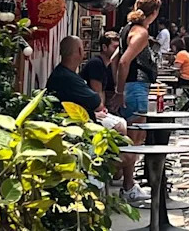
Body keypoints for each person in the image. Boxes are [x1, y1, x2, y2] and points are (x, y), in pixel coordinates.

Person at [49, 36, 147, 202]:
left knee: (123, 134)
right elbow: (96, 101)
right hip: (80, 137)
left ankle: (124, 182)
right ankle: (125, 186)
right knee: (129, 153)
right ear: (79, 51)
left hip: (80, 128)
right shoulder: (70, 76)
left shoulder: (65, 74)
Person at [116, 0, 161, 133]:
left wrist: (119, 86)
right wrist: (119, 92)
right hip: (136, 86)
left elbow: (114, 59)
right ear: (154, 12)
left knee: (129, 133)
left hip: (129, 86)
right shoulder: (141, 33)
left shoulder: (126, 29)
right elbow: (123, 61)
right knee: (136, 135)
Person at [81, 31, 120, 112]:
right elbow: (97, 91)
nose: (117, 51)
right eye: (115, 47)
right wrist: (102, 109)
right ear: (104, 47)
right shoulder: (96, 63)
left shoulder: (108, 66)